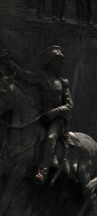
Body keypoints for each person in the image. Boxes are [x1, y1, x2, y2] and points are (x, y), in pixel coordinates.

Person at [0, 45, 74, 184]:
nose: (60, 63)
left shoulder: (63, 82)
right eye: (57, 60)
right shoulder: (40, 76)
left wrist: (55, 112)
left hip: (56, 121)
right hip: (41, 117)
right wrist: (8, 62)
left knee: (50, 137)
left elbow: (70, 105)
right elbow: (23, 74)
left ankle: (43, 171)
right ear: (49, 60)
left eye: (61, 61)